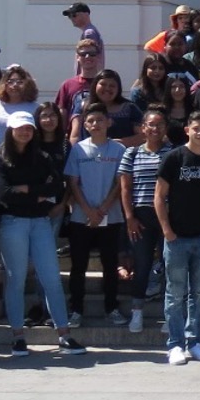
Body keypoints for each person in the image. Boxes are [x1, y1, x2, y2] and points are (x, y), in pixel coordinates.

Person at [0, 113, 85, 358]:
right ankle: (18, 337)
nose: (25, 133)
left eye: (29, 129)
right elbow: (4, 194)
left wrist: (26, 189)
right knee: (17, 279)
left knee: (51, 277)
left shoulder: (41, 157)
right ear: (11, 130)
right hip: (13, 223)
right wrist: (37, 194)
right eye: (20, 129)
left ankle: (64, 334)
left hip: (40, 222)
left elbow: (56, 187)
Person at [156, 112, 200, 364]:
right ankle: (175, 344)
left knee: (199, 292)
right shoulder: (173, 158)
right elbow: (159, 196)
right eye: (196, 128)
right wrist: (167, 230)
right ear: (187, 130)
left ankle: (194, 341)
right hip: (176, 238)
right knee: (175, 293)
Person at [64, 102, 128, 328]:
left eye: (100, 120)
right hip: (82, 218)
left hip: (110, 216)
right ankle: (76, 310)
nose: (95, 124)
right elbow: (73, 182)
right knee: (78, 265)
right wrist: (89, 211)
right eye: (90, 121)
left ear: (109, 122)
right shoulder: (78, 149)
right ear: (85, 124)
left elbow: (120, 182)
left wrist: (103, 209)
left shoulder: (118, 150)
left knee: (110, 265)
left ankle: (111, 307)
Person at [117, 107, 172, 335]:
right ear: (143, 128)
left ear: (165, 128)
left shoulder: (173, 152)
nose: (155, 128)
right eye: (151, 124)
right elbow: (125, 188)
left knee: (170, 266)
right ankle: (137, 313)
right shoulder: (131, 153)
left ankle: (170, 316)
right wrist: (129, 218)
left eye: (160, 124)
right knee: (142, 266)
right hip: (141, 217)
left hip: (167, 217)